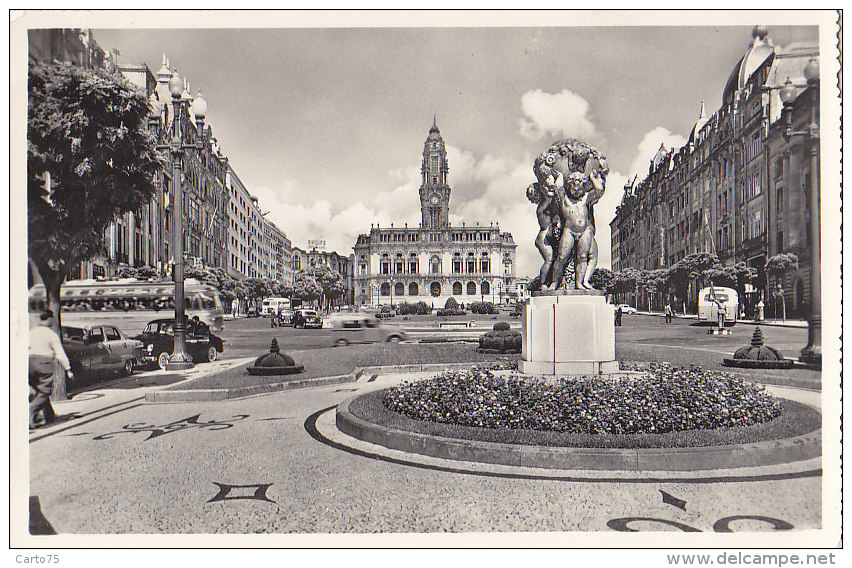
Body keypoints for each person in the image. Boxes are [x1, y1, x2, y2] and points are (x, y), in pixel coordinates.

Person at [29, 310, 73, 430]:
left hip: (29, 362)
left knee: (37, 389)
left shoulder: (31, 332)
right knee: (44, 391)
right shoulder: (51, 334)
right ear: (49, 319)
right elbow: (60, 354)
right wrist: (68, 369)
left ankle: (50, 416)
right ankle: (30, 414)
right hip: (44, 363)